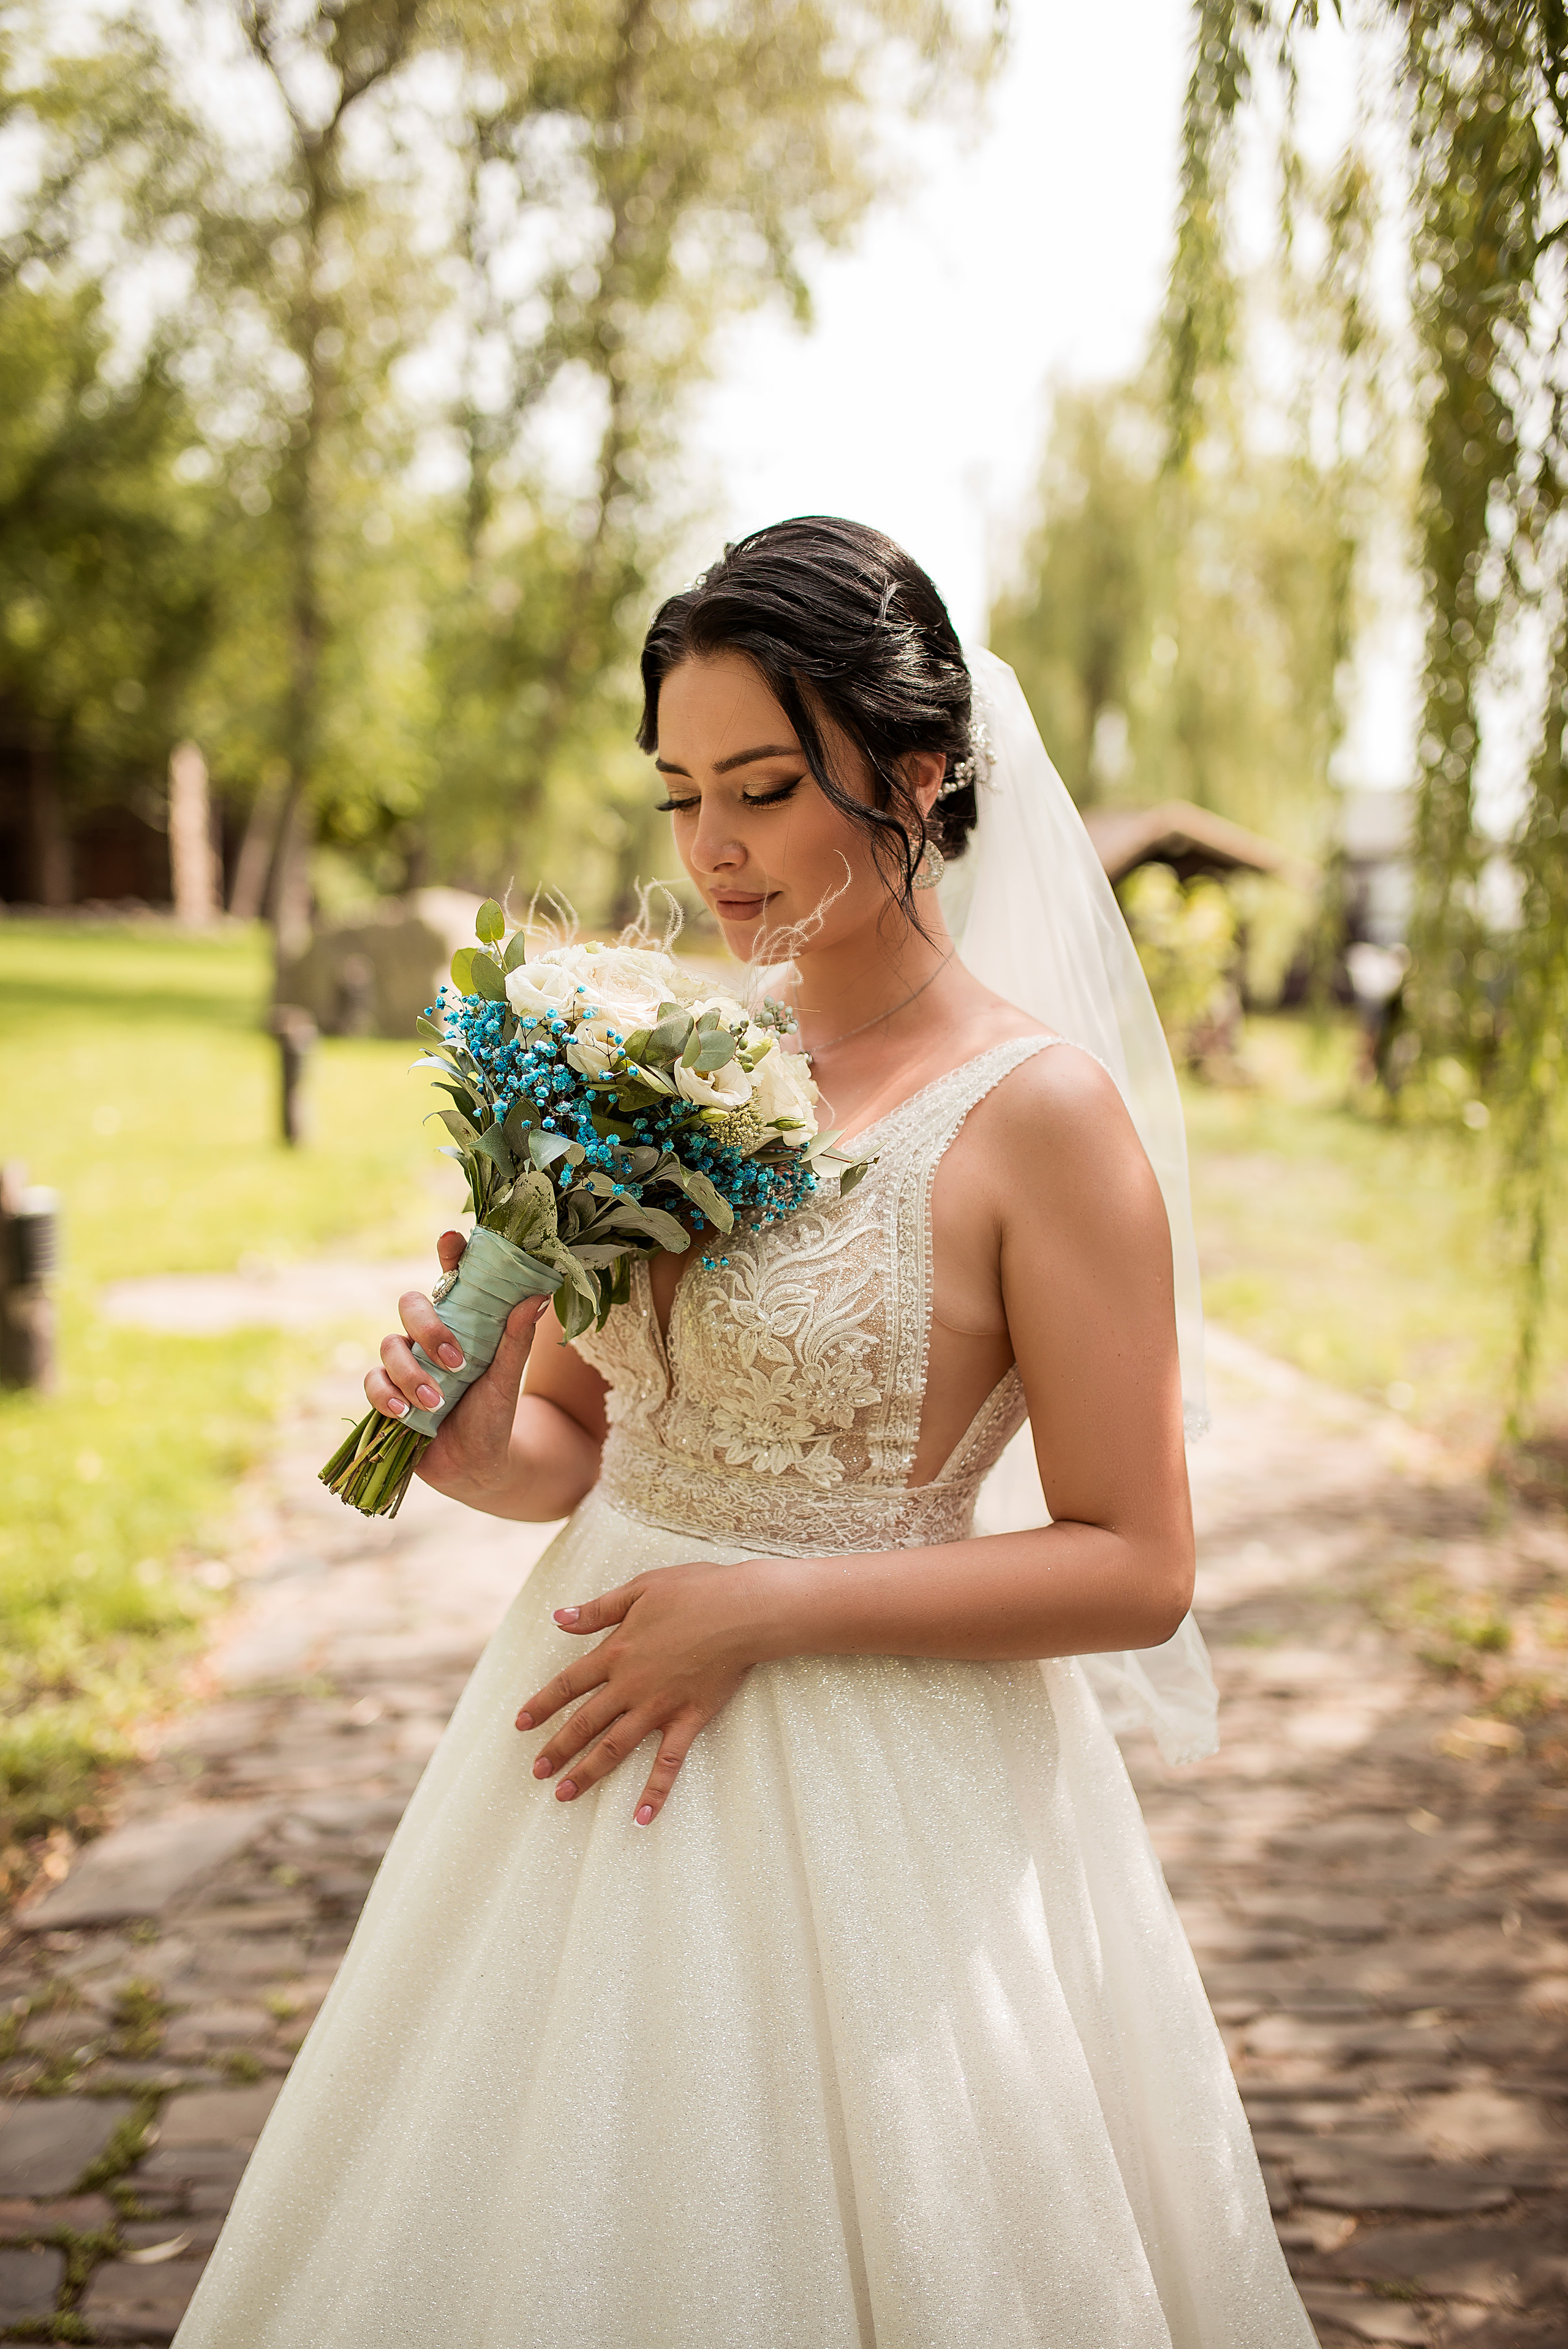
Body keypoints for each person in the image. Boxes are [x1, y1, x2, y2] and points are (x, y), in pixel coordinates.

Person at [174, 518, 1314, 2347]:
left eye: (766, 791)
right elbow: (582, 1436)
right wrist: (477, 1449)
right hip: (576, 1731)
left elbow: (1140, 1563)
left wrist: (761, 1608)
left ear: (919, 775)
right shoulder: (664, 1068)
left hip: (876, 1798)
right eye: (679, 795)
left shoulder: (1040, 1121)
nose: (711, 850)